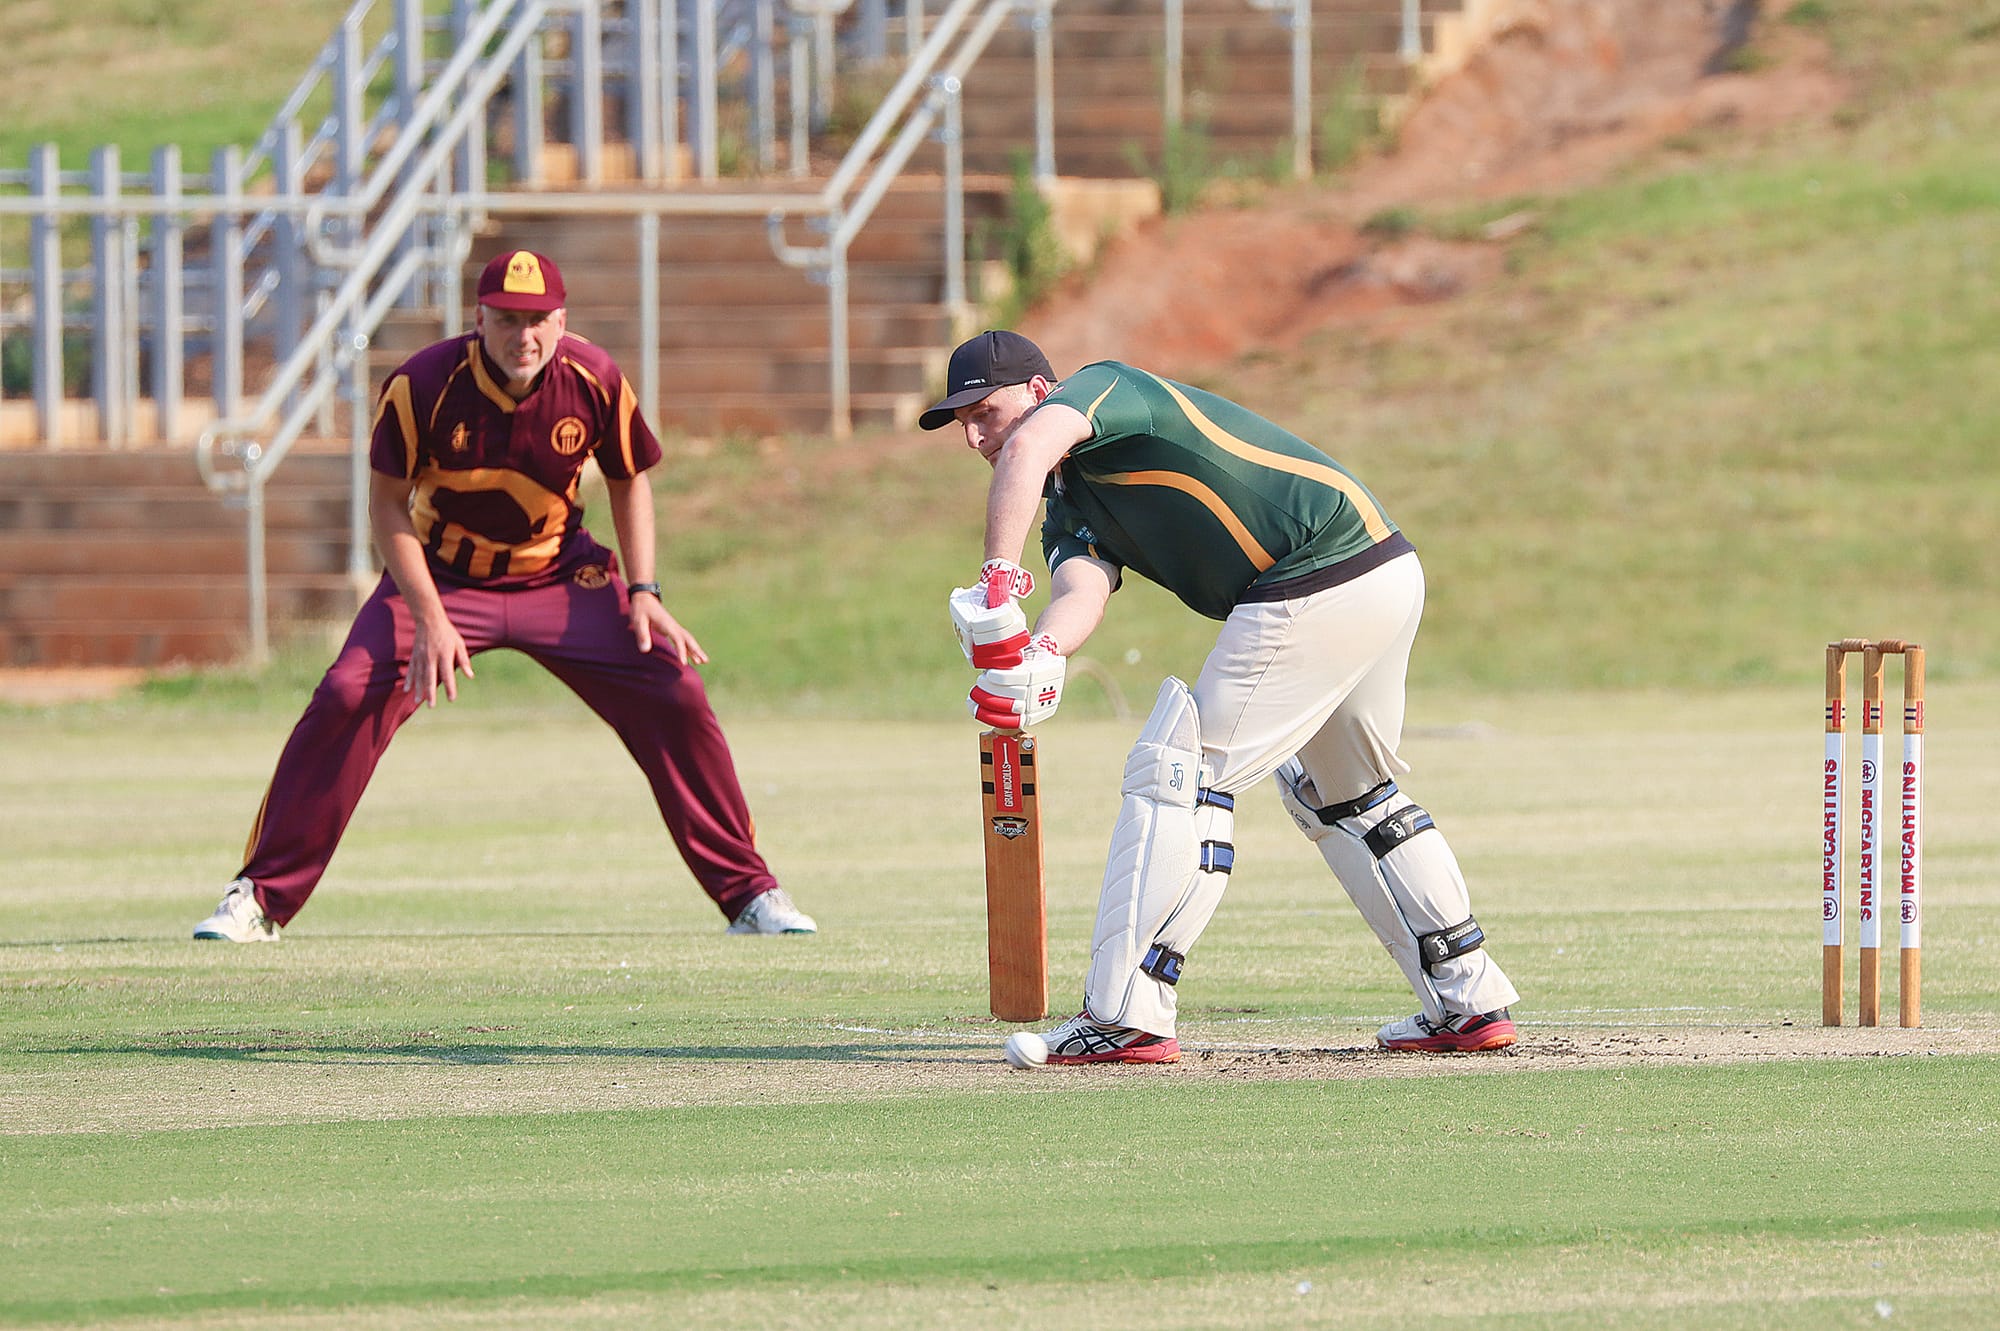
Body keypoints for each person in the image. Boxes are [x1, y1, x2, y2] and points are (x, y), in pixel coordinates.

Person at [930, 330, 1517, 1063]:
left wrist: (994, 582)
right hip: (1379, 568)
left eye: (985, 411)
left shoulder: (1104, 387)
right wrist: (1042, 654)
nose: (976, 436)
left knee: (1178, 770)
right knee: (1349, 795)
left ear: (1040, 391)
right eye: (964, 424)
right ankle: (1468, 998)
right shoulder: (1068, 507)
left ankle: (1126, 1014)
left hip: (1315, 570)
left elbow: (1024, 450)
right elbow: (1081, 588)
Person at [192, 249, 813, 942]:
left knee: (676, 693)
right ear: (478, 318)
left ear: (562, 318)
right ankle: (261, 898)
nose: (526, 336)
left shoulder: (594, 376)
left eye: (540, 320)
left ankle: (751, 895)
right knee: (345, 694)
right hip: (444, 576)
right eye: (509, 320)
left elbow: (629, 475)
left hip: (559, 574)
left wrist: (642, 589)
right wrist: (429, 616)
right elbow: (388, 506)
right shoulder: (422, 384)